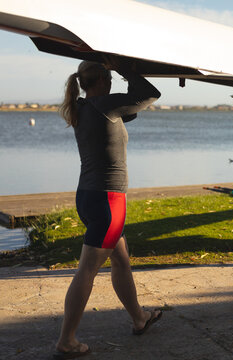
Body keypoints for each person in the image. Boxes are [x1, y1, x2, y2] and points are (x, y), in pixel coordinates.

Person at [54, 60, 161, 359]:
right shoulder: (104, 106)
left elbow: (134, 109)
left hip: (88, 197)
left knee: (122, 261)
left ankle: (139, 318)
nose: (113, 80)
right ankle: (67, 340)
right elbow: (151, 94)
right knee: (87, 270)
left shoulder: (86, 108)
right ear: (102, 79)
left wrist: (124, 76)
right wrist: (127, 68)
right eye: (110, 76)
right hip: (108, 202)